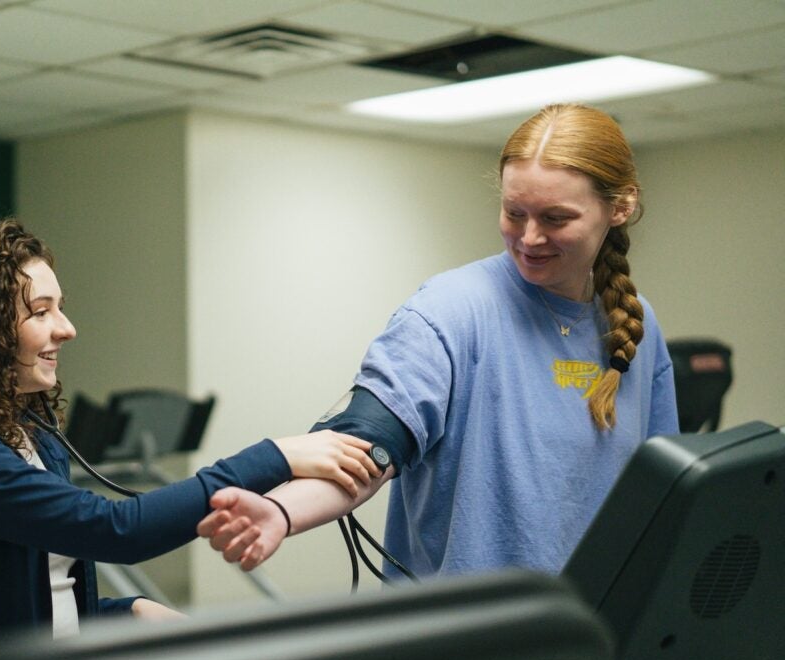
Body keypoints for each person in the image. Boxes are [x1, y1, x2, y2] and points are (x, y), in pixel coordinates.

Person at [0, 217, 379, 660]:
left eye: (62, 307)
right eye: (40, 311)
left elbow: (43, 604)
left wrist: (130, 611)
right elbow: (112, 531)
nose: (67, 328)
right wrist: (277, 457)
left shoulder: (32, 434)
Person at [198, 103, 679, 579]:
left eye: (556, 218)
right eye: (515, 212)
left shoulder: (637, 323)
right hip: (465, 637)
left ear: (621, 207)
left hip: (594, 634)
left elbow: (664, 491)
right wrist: (282, 512)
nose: (530, 238)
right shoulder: (449, 311)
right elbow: (370, 443)